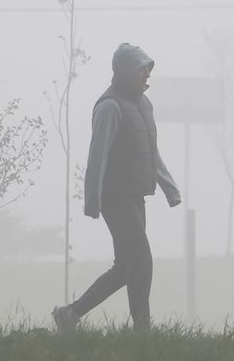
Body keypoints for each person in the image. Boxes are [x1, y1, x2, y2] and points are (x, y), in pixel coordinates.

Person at [52, 43, 181, 332]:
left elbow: (151, 151)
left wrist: (169, 188)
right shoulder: (110, 106)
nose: (146, 74)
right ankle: (143, 330)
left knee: (125, 267)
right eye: (140, 69)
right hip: (115, 197)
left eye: (148, 68)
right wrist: (92, 199)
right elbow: (97, 154)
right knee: (142, 260)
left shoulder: (143, 104)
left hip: (135, 195)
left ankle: (69, 315)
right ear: (125, 71)